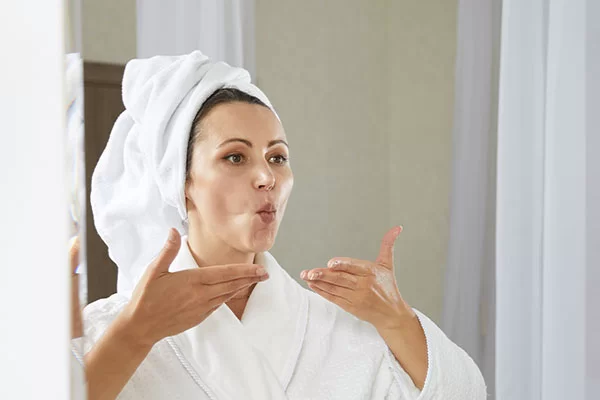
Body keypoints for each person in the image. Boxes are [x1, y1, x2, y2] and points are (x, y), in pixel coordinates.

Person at [74, 51, 486, 399]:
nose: (266, 177)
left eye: (277, 157)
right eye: (235, 157)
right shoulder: (110, 331)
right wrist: (135, 333)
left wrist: (397, 319)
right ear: (179, 183)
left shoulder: (338, 328)